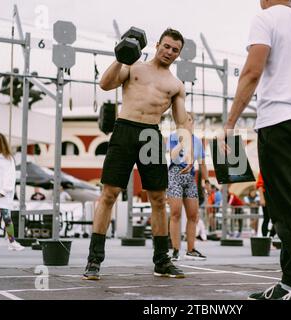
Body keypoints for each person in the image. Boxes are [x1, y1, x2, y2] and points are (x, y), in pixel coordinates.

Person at [223, 0, 291, 300]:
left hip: (279, 123)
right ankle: (289, 282)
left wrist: (230, 122)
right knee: (290, 207)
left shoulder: (265, 18)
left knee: (287, 210)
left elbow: (252, 73)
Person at [83, 28, 191, 280]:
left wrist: (186, 148)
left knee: (157, 198)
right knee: (109, 194)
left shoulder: (175, 85)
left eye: (175, 50)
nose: (169, 52)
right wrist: (121, 56)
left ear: (179, 54)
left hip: (151, 135)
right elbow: (106, 84)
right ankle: (94, 260)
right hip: (124, 129)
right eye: (166, 46)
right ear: (157, 45)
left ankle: (162, 261)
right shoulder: (134, 66)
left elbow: (182, 120)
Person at [167, 112, 208, 261]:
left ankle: (191, 250)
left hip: (190, 177)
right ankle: (175, 251)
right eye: (185, 120)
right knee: (175, 213)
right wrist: (182, 141)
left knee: (193, 215)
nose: (188, 123)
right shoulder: (173, 137)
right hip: (175, 175)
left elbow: (202, 163)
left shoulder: (197, 141)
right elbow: (173, 156)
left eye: (190, 120)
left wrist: (207, 181)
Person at [256, 173, 276, 238]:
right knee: (266, 218)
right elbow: (260, 185)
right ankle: (265, 238)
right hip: (266, 196)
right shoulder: (263, 169)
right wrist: (262, 198)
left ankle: (271, 236)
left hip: (275, 196)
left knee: (276, 219)